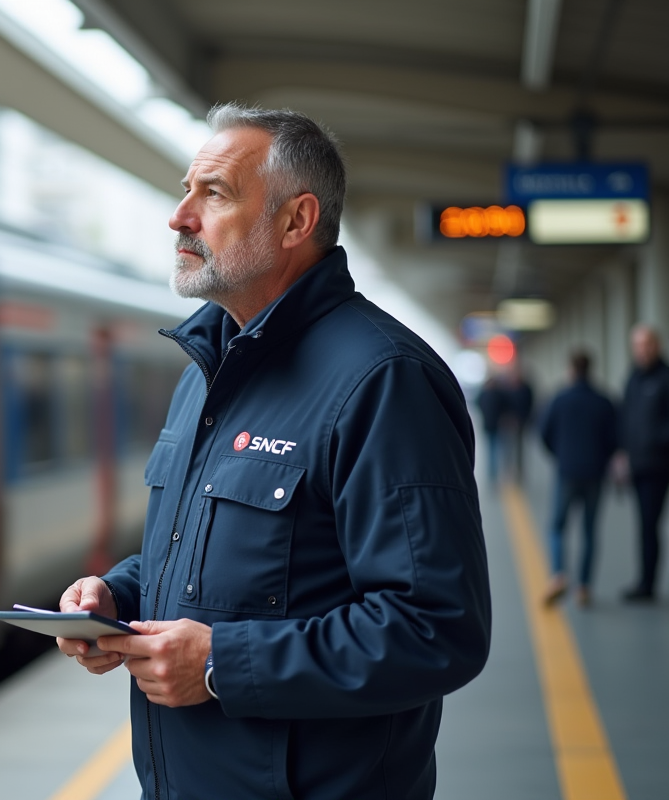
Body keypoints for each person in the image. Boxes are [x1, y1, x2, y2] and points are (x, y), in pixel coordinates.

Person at [57, 105, 491, 800]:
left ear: (296, 221)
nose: (180, 216)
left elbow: (436, 627)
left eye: (215, 193)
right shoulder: (206, 370)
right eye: (185, 190)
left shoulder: (383, 382)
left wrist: (221, 664)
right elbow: (217, 553)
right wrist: (119, 594)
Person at [538, 350, 617, 607]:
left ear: (571, 369)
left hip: (567, 471)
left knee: (558, 526)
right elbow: (614, 438)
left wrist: (560, 454)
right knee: (590, 531)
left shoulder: (559, 399)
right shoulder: (604, 401)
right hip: (595, 473)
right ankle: (584, 587)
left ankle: (559, 574)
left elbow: (544, 433)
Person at [619, 324, 669, 602]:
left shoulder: (665, 378)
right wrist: (622, 454)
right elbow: (626, 418)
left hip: (658, 465)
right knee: (644, 525)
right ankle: (645, 581)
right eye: (638, 345)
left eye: (647, 344)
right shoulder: (633, 378)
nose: (643, 350)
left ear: (657, 345)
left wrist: (654, 440)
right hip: (637, 465)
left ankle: (647, 585)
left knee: (650, 524)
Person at [476, 374, 506, 483]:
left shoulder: (483, 394)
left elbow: (478, 405)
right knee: (494, 448)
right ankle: (494, 471)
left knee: (492, 448)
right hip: (494, 425)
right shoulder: (498, 395)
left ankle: (492, 471)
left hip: (490, 425)